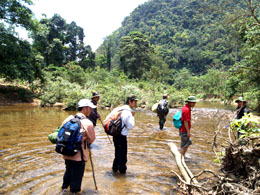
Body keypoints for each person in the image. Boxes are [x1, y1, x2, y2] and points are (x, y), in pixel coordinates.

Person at [61, 99, 96, 194]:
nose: (91, 111)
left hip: (66, 153)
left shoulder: (68, 119)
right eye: (90, 108)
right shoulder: (88, 123)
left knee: (68, 172)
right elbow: (92, 139)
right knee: (76, 183)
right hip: (79, 156)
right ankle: (74, 192)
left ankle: (64, 189)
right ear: (85, 109)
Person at [105, 95, 138, 174]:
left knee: (117, 155)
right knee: (123, 157)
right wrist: (132, 116)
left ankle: (114, 171)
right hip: (122, 137)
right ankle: (122, 176)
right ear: (130, 101)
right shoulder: (128, 112)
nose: (136, 103)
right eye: (135, 101)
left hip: (115, 135)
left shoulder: (118, 109)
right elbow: (131, 126)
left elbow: (107, 119)